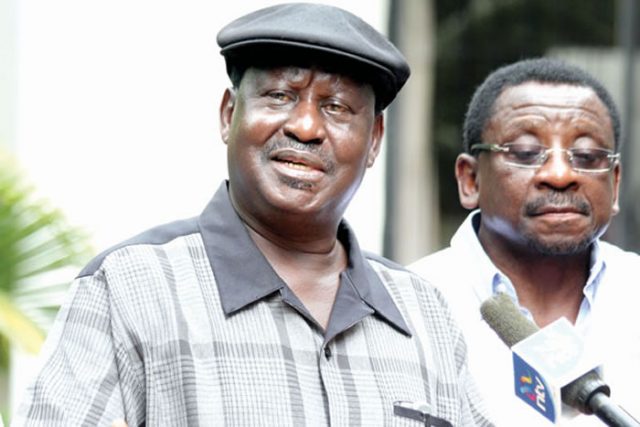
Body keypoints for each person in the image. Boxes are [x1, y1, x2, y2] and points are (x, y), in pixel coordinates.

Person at [14, 3, 493, 426]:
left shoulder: (423, 312)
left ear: (374, 141)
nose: (305, 126)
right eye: (279, 96)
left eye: (336, 107)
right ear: (229, 114)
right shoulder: (129, 288)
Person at [409, 57, 640, 426]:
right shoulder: (406, 305)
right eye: (526, 153)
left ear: (614, 183)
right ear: (470, 180)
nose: (560, 174)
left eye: (586, 156)